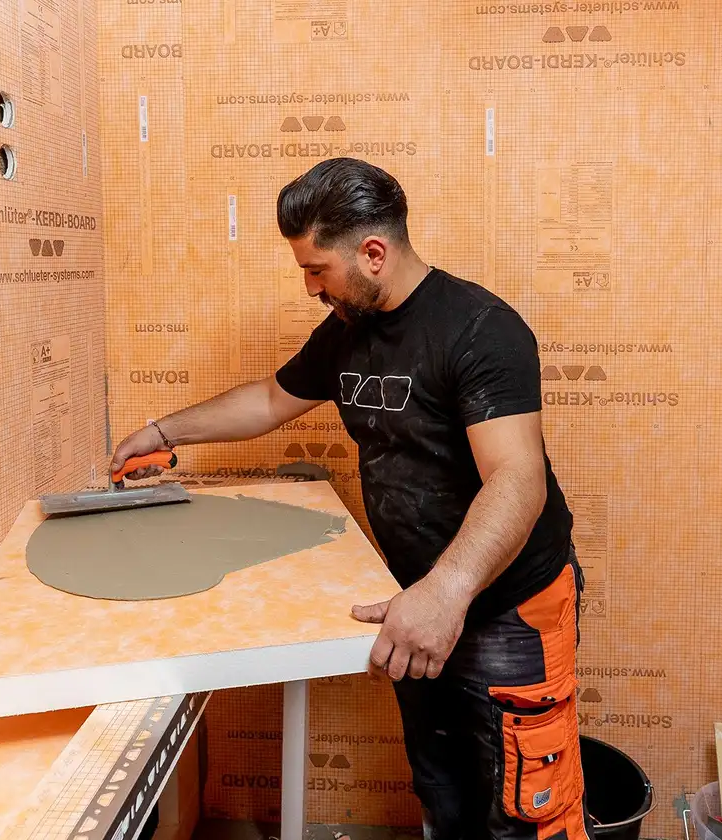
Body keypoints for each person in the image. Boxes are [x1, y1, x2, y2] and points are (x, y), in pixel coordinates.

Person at [111, 157, 594, 840]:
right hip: (420, 600)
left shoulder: (481, 329)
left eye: (316, 269)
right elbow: (273, 399)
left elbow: (517, 479)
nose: (310, 287)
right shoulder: (348, 330)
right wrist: (162, 431)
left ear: (372, 253)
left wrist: (445, 591)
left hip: (508, 607)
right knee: (443, 790)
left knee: (525, 813)